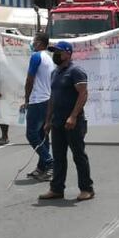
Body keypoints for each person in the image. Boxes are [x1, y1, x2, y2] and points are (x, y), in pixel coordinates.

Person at [38, 41, 93, 202]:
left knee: (78, 155)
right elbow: (52, 97)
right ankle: (56, 189)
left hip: (73, 122)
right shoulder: (55, 73)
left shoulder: (76, 71)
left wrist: (73, 116)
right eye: (54, 52)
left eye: (58, 52)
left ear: (68, 53)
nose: (55, 55)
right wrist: (48, 120)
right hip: (57, 121)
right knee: (58, 156)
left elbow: (83, 94)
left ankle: (86, 188)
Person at [22, 32, 55, 179]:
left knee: (31, 134)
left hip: (37, 100)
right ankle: (42, 167)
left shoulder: (36, 56)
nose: (32, 43)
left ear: (40, 42)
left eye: (34, 41)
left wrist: (27, 99)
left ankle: (49, 162)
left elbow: (30, 79)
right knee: (42, 136)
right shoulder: (48, 58)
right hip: (47, 100)